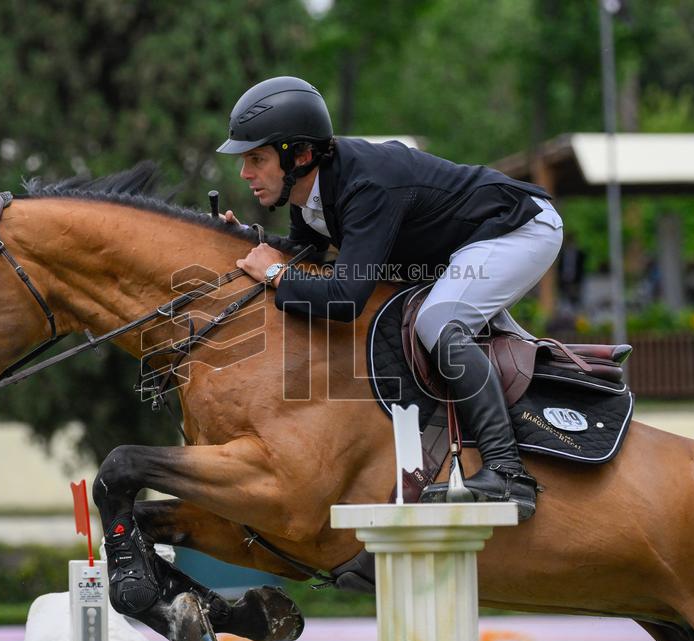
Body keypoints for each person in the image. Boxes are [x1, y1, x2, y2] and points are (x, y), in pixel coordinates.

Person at [216, 76, 563, 520]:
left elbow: (345, 298)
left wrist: (273, 272)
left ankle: (508, 473)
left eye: (256, 159)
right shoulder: (309, 190)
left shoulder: (367, 186)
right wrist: (248, 242)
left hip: (519, 228)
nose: (245, 173)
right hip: (470, 242)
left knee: (437, 324)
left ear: (299, 155)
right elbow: (305, 256)